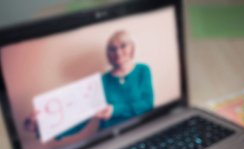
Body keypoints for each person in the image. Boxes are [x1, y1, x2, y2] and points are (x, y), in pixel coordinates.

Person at [25, 30, 154, 141]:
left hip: (140, 132)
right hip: (109, 139)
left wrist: (114, 110)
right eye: (112, 49)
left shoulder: (143, 70)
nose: (118, 52)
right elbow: (81, 118)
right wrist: (45, 127)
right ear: (108, 54)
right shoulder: (100, 81)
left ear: (132, 48)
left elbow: (147, 104)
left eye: (123, 46)